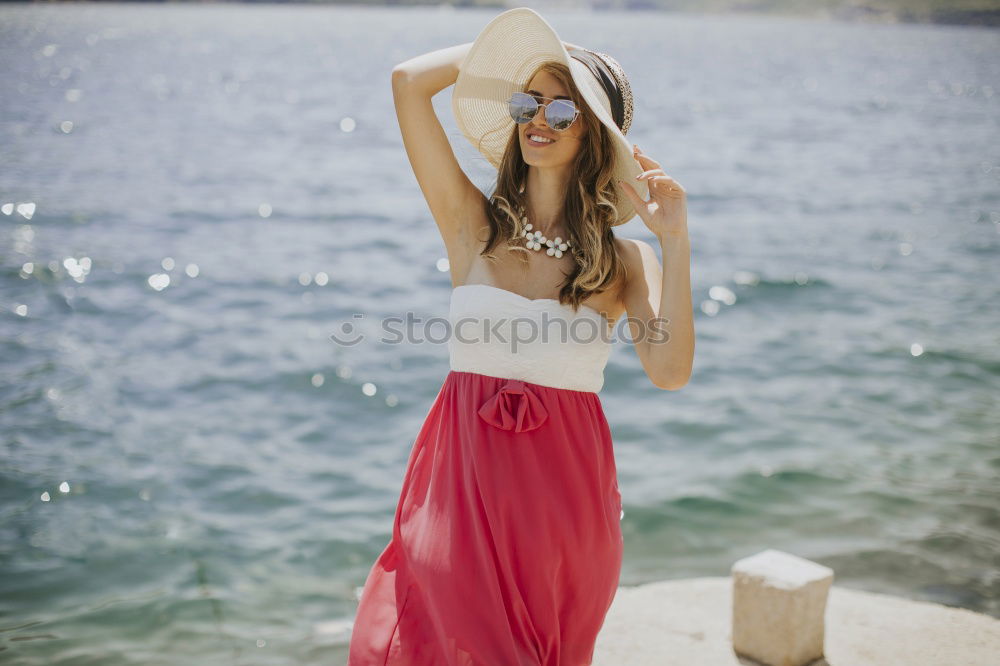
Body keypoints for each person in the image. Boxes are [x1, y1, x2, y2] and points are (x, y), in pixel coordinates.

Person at [347, 7, 694, 665]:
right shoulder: (472, 227)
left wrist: (674, 243)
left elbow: (670, 371)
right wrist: (525, 52)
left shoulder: (624, 263)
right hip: (456, 501)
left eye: (563, 110)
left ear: (591, 133)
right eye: (526, 101)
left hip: (565, 519)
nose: (539, 120)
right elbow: (407, 81)